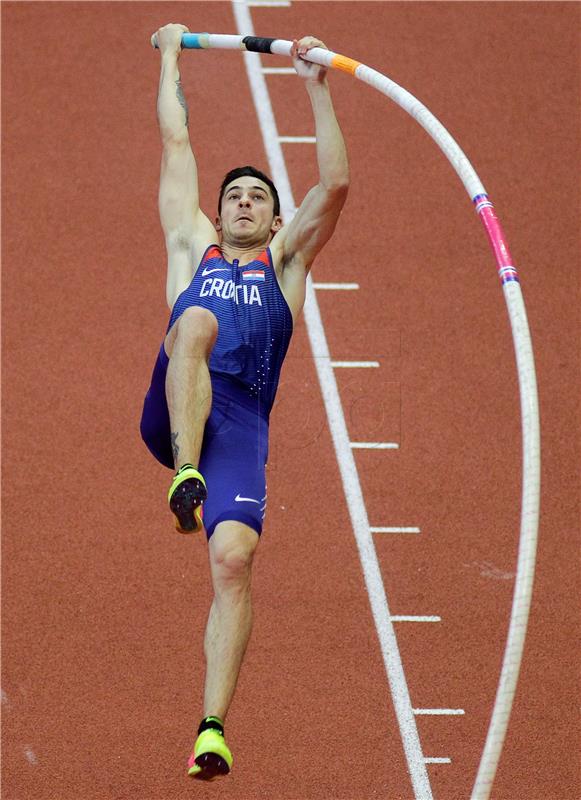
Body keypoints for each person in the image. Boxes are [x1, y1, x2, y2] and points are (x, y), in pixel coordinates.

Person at [141, 22, 349, 780]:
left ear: (270, 220)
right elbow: (175, 147)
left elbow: (333, 188)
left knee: (234, 558)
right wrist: (170, 53)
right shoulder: (190, 246)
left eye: (257, 197)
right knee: (194, 319)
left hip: (242, 424)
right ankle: (183, 476)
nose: (241, 202)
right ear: (219, 211)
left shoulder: (285, 264)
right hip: (176, 405)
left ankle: (210, 728)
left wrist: (315, 87)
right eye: (233, 194)